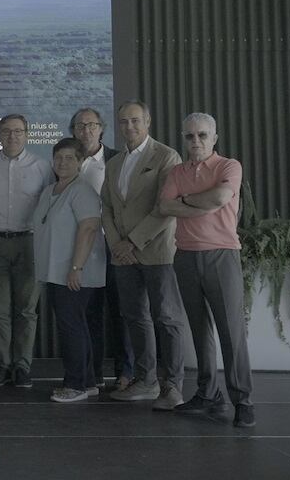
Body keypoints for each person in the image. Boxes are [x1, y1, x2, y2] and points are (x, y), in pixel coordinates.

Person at [159, 112, 254, 427]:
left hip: (221, 257)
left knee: (231, 333)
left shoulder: (229, 166)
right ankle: (207, 394)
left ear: (214, 138)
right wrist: (202, 202)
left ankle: (243, 402)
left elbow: (223, 195)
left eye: (202, 135)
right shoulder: (176, 171)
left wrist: (186, 202)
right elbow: (165, 206)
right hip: (185, 256)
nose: (195, 141)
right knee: (199, 333)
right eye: (189, 136)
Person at [101, 101, 187, 410]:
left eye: (135, 121)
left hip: (157, 252)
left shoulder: (166, 156)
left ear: (147, 122)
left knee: (167, 318)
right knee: (135, 317)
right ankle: (146, 382)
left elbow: (164, 208)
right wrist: (116, 244)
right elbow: (107, 208)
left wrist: (133, 242)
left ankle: (174, 386)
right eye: (123, 122)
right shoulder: (113, 163)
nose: (129, 127)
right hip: (123, 255)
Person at [0, 114, 53, 388]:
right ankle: (2, 366)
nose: (12, 136)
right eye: (6, 131)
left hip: (30, 243)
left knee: (26, 311)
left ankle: (22, 366)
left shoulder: (42, 167)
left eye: (18, 131)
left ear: (27, 134)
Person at [32, 138, 106, 402]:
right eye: (58, 158)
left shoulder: (82, 190)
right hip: (57, 272)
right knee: (77, 326)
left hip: (73, 273)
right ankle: (86, 381)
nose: (63, 162)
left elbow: (88, 229)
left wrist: (77, 267)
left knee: (71, 327)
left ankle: (74, 385)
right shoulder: (51, 189)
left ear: (81, 162)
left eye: (70, 158)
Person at [71, 107, 133, 391]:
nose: (86, 130)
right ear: (73, 130)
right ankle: (92, 373)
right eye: (80, 125)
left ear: (102, 129)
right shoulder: (65, 161)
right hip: (82, 250)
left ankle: (126, 372)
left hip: (114, 246)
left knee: (122, 312)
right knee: (89, 314)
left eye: (92, 125)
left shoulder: (117, 160)